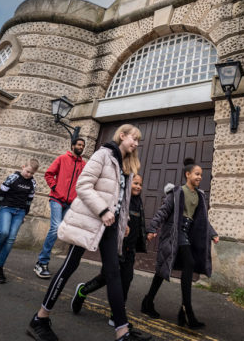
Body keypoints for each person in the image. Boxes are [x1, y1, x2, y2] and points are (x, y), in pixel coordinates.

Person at [27, 124, 151, 341]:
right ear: (122, 136)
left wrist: (123, 222)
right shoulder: (103, 155)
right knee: (69, 266)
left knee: (113, 273)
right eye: (134, 138)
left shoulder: (127, 165)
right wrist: (102, 210)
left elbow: (121, 199)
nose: (136, 143)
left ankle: (122, 332)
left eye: (138, 141)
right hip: (90, 221)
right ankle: (40, 317)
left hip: (110, 226)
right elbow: (83, 185)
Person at [141, 158, 219, 329]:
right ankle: (186, 311)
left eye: (201, 175)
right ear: (188, 174)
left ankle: (148, 301)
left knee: (163, 270)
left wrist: (212, 234)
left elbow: (203, 220)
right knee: (186, 264)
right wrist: (152, 227)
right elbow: (163, 211)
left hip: (188, 234)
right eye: (197, 174)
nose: (200, 177)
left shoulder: (199, 195)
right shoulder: (176, 193)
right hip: (173, 234)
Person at [71, 174, 148, 327]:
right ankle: (82, 291)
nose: (138, 187)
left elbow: (140, 224)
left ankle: (116, 315)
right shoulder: (121, 202)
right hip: (117, 247)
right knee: (106, 277)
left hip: (130, 249)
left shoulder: (138, 202)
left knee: (126, 279)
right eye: (135, 183)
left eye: (140, 184)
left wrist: (146, 235)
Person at [0, 158, 39, 284]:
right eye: (28, 171)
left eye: (32, 173)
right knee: (3, 233)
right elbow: (0, 194)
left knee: (11, 239)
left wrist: (24, 214)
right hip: (6, 208)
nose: (29, 175)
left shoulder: (32, 183)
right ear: (23, 166)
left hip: (19, 212)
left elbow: (28, 201)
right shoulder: (13, 178)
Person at [34, 138, 86, 279]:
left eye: (83, 145)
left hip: (71, 203)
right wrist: (55, 187)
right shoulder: (62, 158)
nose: (81, 147)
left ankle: (42, 261)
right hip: (57, 199)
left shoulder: (84, 165)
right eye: (79, 145)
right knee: (56, 227)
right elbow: (49, 174)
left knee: (62, 230)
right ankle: (42, 262)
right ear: (73, 146)